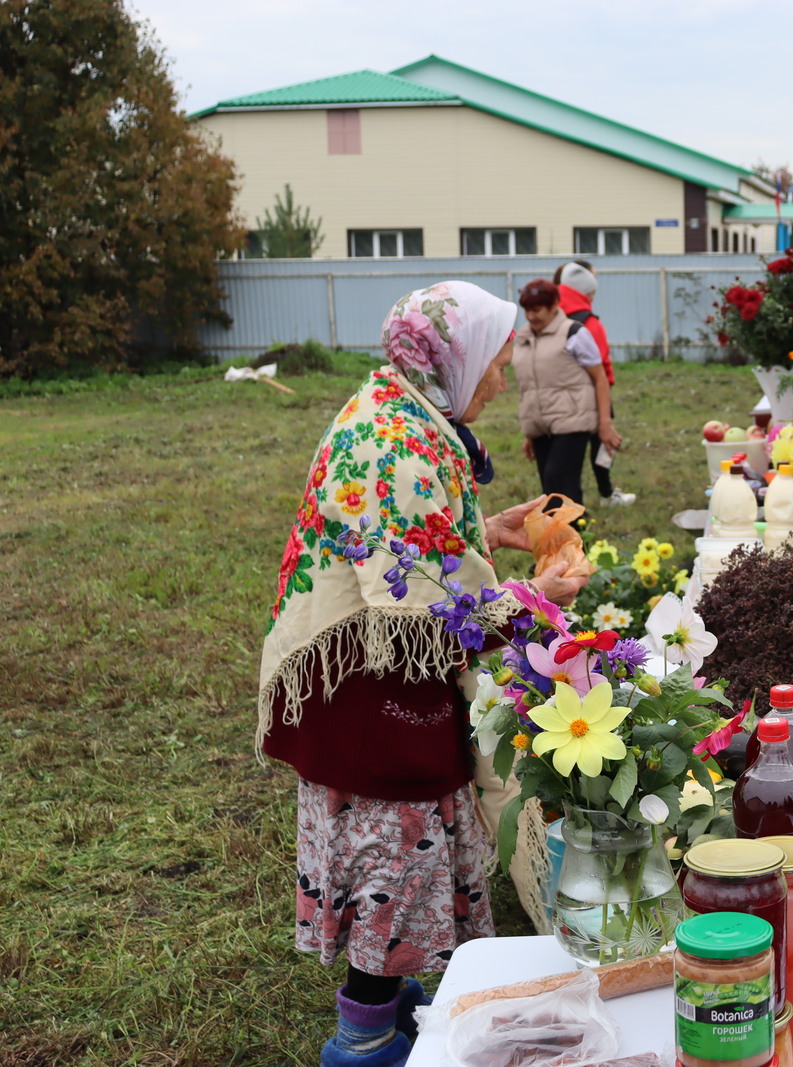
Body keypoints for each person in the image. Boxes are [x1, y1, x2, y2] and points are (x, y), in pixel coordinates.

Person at [257, 280, 586, 1066]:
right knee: (393, 867)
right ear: (455, 357)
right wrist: (533, 599)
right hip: (372, 702)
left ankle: (392, 996)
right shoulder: (397, 447)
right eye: (497, 363)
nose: (502, 381)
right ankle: (364, 1037)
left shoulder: (398, 409)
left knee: (397, 863)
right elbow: (435, 607)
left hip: (362, 682)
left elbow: (423, 541)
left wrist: (490, 530)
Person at [514, 278, 621, 506]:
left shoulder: (574, 333)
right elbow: (531, 387)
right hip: (542, 424)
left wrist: (604, 423)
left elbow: (600, 378)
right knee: (549, 487)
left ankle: (574, 537)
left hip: (573, 420)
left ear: (554, 305)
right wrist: (530, 432)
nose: (531, 316)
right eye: (527, 311)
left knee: (559, 479)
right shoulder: (523, 337)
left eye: (537, 310)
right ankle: (561, 538)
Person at [554, 260, 636, 506]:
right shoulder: (589, 324)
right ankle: (606, 492)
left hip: (559, 400)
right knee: (602, 444)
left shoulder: (553, 321)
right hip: (591, 398)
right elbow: (601, 369)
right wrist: (604, 413)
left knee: (569, 457)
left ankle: (572, 498)